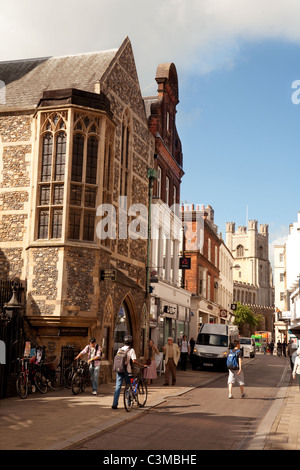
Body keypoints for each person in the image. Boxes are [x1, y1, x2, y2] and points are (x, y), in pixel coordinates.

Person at [112, 335, 147, 409]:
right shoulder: (131, 350)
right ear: (131, 342)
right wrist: (142, 365)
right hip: (127, 370)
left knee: (118, 386)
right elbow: (134, 361)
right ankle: (128, 403)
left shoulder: (120, 349)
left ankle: (114, 404)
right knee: (129, 385)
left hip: (119, 370)